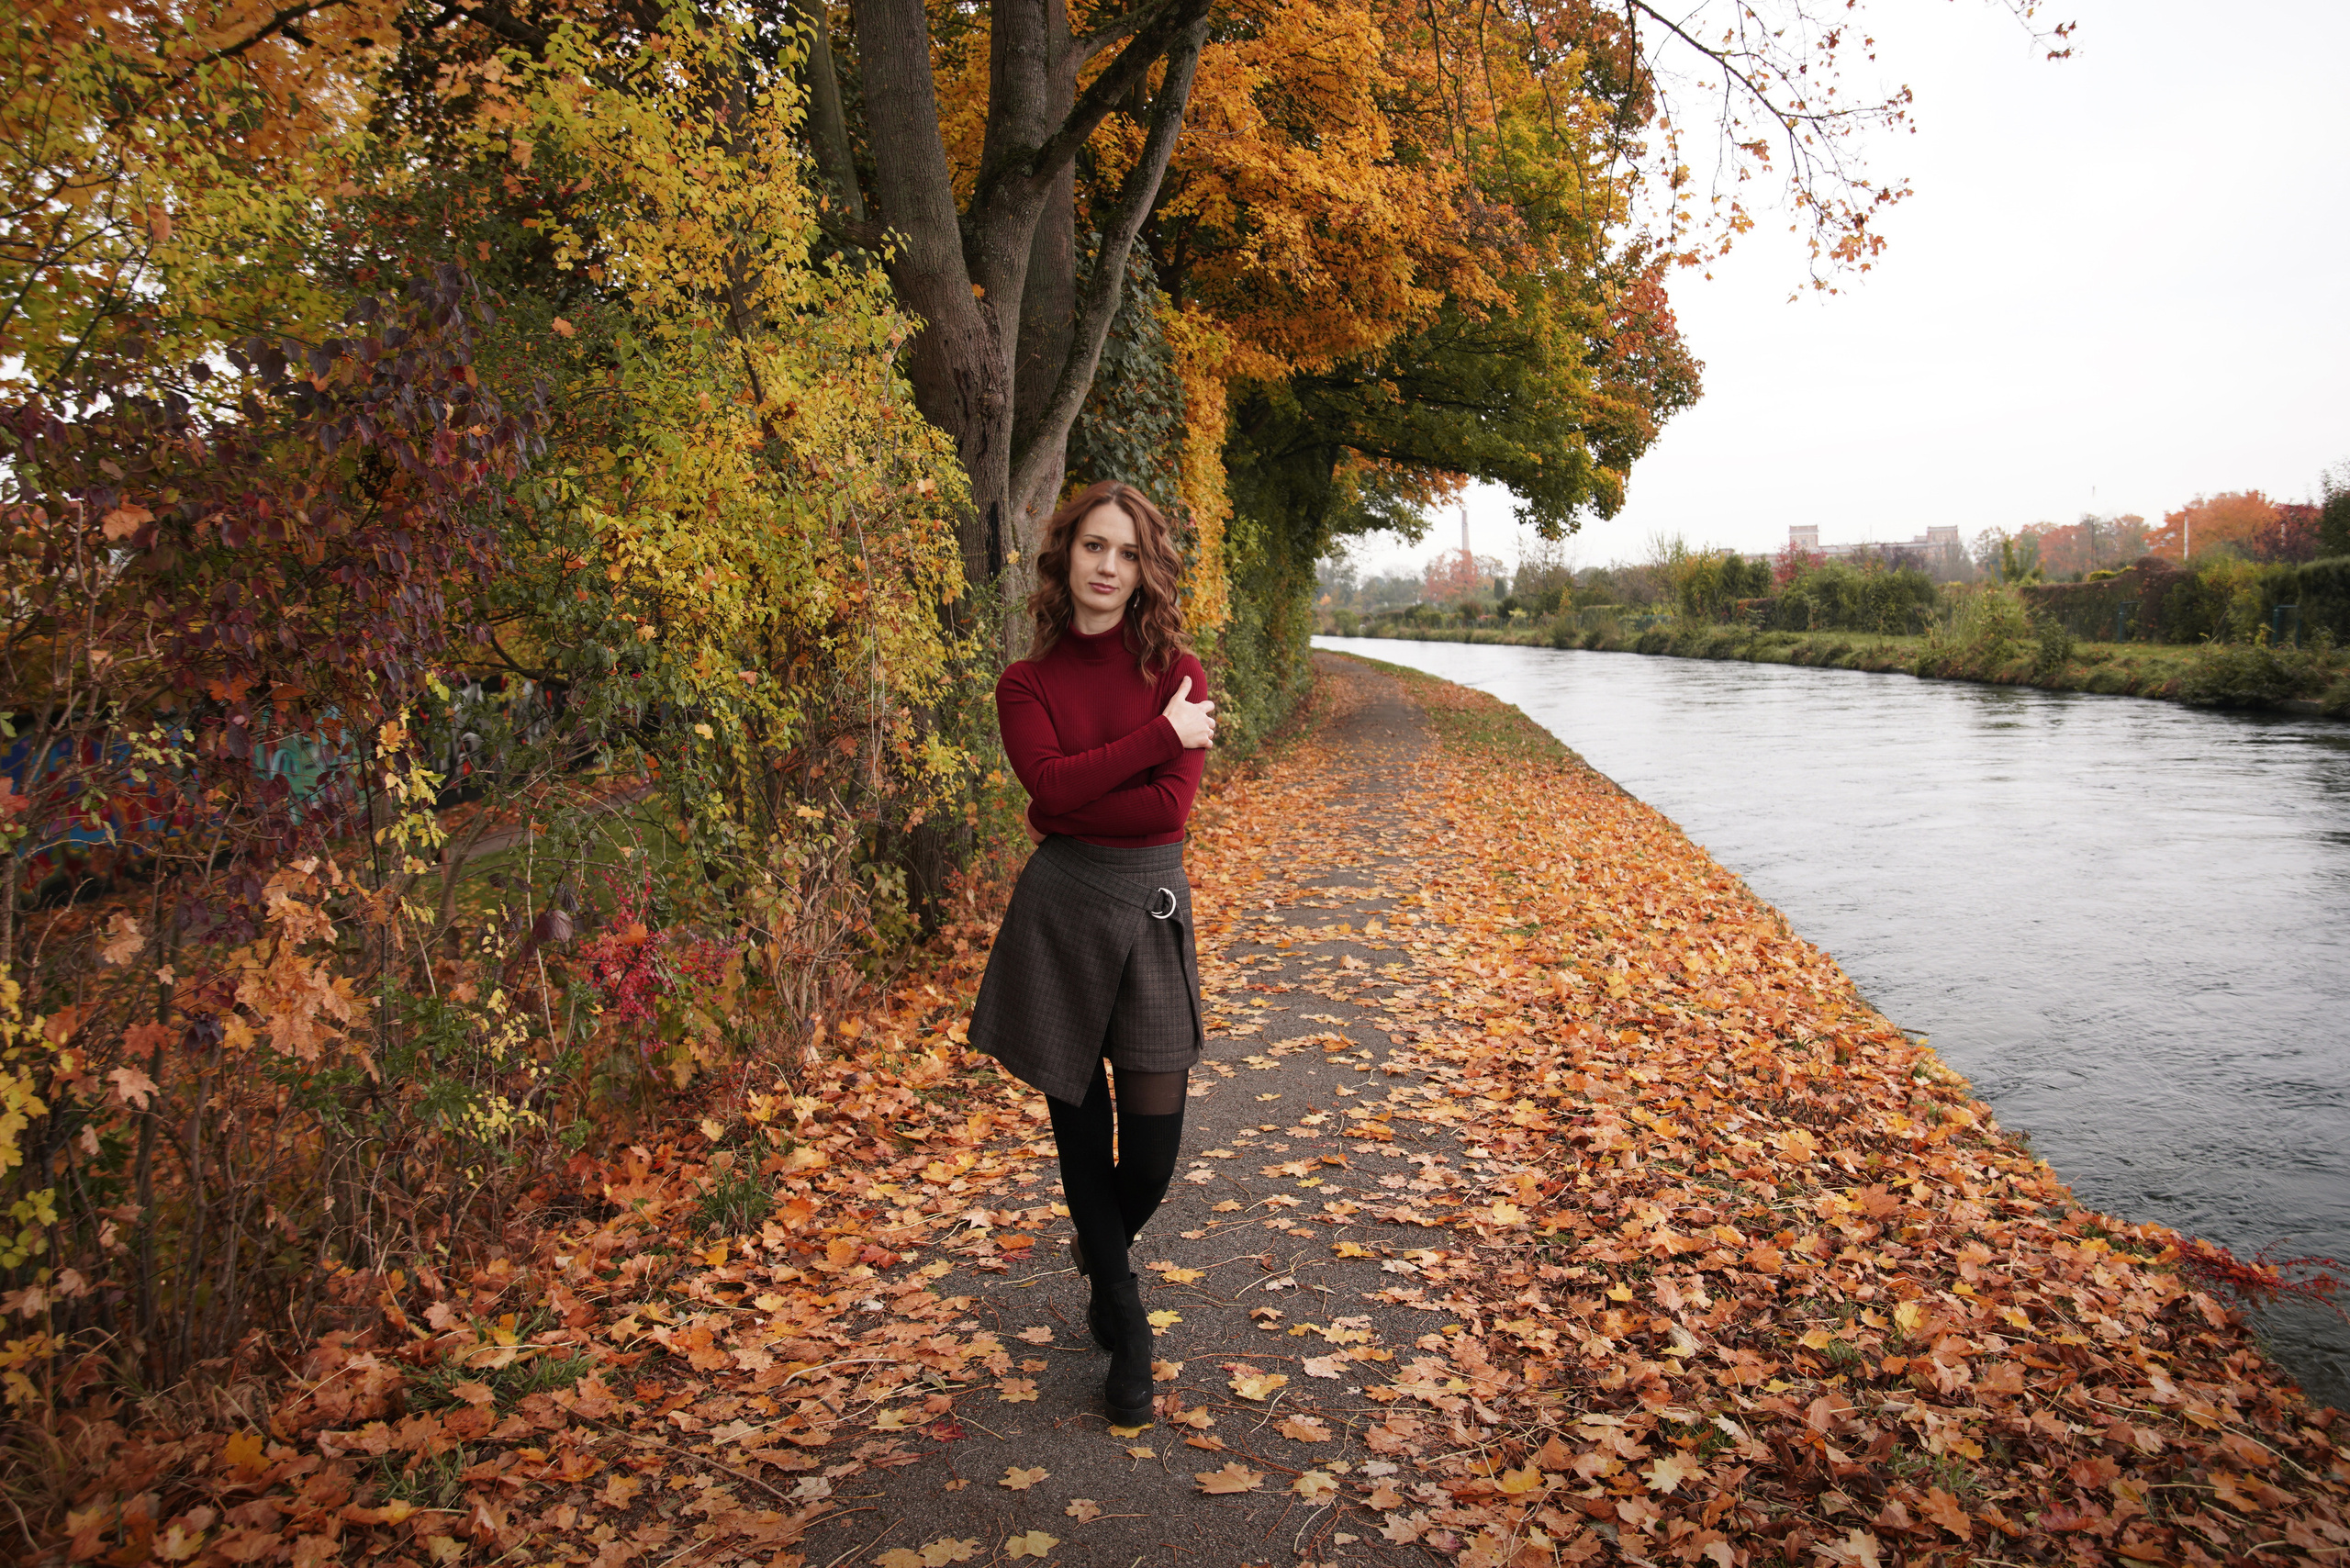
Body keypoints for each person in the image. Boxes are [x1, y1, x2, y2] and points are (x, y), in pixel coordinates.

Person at [967, 479, 1217, 1429]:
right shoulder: (1024, 683)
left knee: (1150, 1145)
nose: (1106, 566)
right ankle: (1126, 1314)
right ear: (1064, 557)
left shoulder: (1178, 670)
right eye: (1091, 547)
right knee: (1079, 1126)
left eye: (1123, 551)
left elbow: (1164, 811)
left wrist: (1064, 802)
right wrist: (1153, 740)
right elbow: (1044, 783)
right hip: (1062, 915)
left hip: (1148, 910)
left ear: (1142, 567)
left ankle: (1099, 1250)